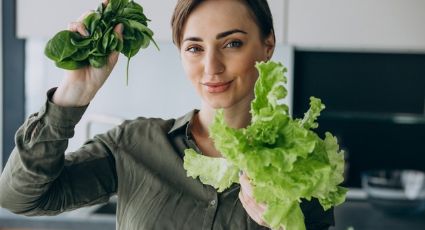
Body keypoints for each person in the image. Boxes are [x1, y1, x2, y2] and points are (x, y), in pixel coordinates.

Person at [0, 0, 334, 229]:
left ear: (268, 44)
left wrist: (285, 223)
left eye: (232, 43)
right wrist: (72, 96)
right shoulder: (133, 145)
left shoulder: (302, 162)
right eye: (194, 48)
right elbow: (19, 198)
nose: (211, 67)